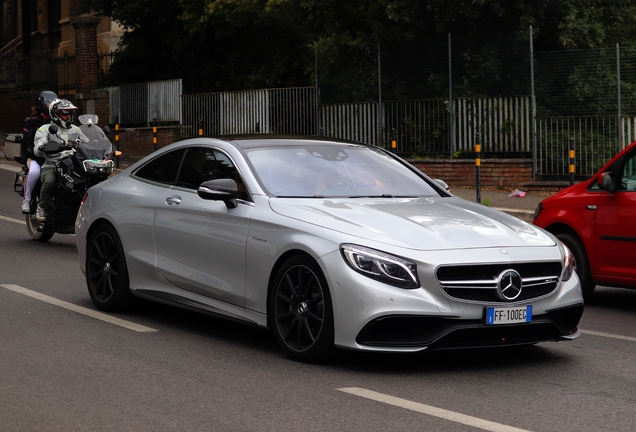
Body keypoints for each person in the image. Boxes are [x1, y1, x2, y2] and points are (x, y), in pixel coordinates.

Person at [33, 98, 88, 222]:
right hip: (53, 164)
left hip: (74, 163)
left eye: (69, 113)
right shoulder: (45, 129)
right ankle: (41, 207)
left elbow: (87, 142)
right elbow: (37, 148)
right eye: (64, 114)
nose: (68, 116)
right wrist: (43, 147)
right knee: (50, 181)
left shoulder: (76, 129)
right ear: (55, 114)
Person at [20, 90, 58, 213]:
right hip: (35, 157)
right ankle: (27, 200)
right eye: (48, 103)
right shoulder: (30, 121)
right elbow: (27, 143)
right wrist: (37, 153)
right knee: (35, 172)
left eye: (52, 102)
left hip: (54, 156)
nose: (50, 105)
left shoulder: (56, 121)